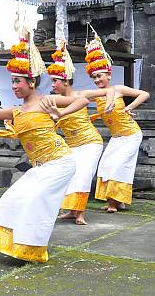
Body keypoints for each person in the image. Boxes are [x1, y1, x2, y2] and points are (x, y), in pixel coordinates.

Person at [0, 18, 89, 262]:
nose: (14, 86)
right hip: (40, 167)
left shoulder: (46, 102)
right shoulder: (16, 111)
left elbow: (82, 100)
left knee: (35, 202)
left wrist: (60, 114)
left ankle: (32, 249)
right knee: (11, 199)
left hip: (60, 163)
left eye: (17, 81)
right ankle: (16, 246)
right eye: (11, 81)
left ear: (31, 82)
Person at [47, 39, 114, 225]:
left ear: (66, 81)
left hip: (91, 143)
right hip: (72, 145)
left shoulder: (81, 95)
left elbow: (110, 91)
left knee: (83, 175)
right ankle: (71, 210)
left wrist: (109, 104)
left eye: (55, 81)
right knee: (69, 174)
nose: (52, 85)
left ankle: (80, 213)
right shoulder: (53, 100)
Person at [85, 28, 149, 213]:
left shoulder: (119, 89)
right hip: (116, 137)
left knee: (119, 166)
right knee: (106, 165)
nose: (97, 79)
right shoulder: (96, 95)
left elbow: (144, 94)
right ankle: (117, 201)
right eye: (94, 77)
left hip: (131, 134)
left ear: (108, 75)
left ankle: (113, 203)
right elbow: (76, 100)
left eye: (100, 76)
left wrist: (129, 107)